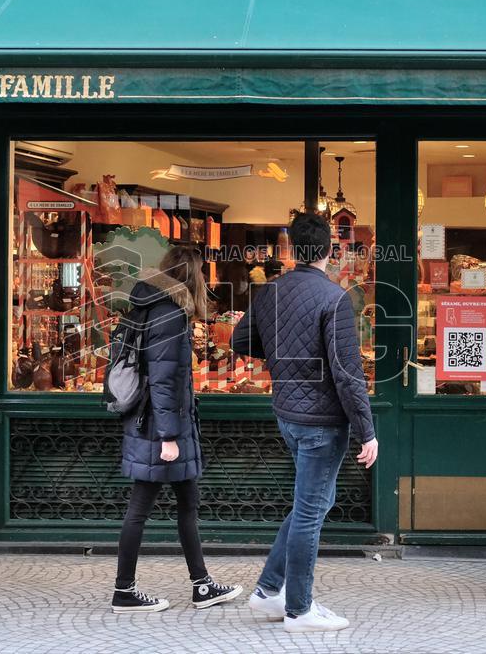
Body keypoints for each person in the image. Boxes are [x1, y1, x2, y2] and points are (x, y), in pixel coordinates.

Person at [231, 212, 378, 633]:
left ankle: (268, 590)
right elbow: (348, 373)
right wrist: (367, 432)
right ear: (330, 250)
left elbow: (240, 340)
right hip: (322, 422)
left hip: (288, 415)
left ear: (292, 250)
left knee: (310, 505)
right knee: (312, 511)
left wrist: (282, 358)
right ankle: (298, 608)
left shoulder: (270, 291)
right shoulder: (335, 298)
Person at [112, 247, 242, 613]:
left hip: (167, 423)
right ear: (192, 274)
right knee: (141, 508)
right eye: (203, 272)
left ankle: (202, 585)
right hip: (160, 426)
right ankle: (124, 590)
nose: (206, 279)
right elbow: (165, 379)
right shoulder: (169, 313)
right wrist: (168, 437)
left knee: (187, 504)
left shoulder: (154, 306)